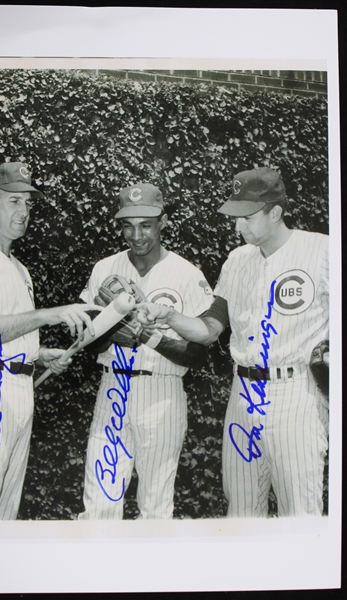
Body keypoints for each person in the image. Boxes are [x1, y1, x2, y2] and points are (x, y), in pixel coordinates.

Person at [138, 167, 329, 518]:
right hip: (243, 394)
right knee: (241, 512)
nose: (238, 226)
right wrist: (168, 316)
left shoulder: (323, 252)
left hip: (295, 393)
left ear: (275, 212)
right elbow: (210, 328)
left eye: (247, 216)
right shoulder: (237, 261)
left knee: (300, 514)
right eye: (235, 216)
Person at [0, 162, 98, 520]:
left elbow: (5, 335)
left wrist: (39, 355)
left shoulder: (19, 269)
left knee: (1, 524)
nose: (23, 211)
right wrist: (46, 314)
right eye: (13, 201)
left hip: (17, 392)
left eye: (28, 203)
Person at [78, 183, 214, 519]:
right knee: (99, 504)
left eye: (146, 225)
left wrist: (149, 338)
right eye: (128, 225)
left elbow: (200, 355)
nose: (136, 235)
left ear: (163, 221)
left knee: (155, 506)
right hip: (113, 387)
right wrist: (111, 328)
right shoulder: (103, 269)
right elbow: (86, 342)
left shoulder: (186, 274)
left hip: (162, 392)